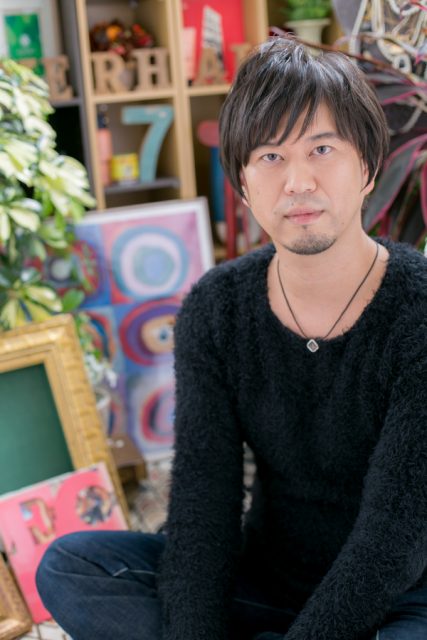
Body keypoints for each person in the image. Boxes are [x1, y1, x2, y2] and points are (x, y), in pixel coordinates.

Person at [36, 37, 427, 640]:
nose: (298, 181)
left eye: (322, 149)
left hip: (393, 599)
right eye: (270, 156)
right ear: (243, 183)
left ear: (368, 166)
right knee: (71, 565)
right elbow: (204, 500)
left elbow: (394, 535)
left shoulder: (418, 308)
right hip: (267, 580)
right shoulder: (217, 309)